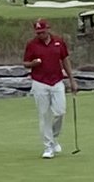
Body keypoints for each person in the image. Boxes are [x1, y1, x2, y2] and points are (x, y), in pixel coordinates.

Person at [22, 18, 76, 158]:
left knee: (60, 112)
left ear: (48, 29)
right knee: (44, 115)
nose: (41, 35)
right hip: (40, 82)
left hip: (57, 81)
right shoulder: (32, 44)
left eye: (43, 32)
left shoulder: (58, 42)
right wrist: (33, 63)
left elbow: (65, 60)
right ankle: (48, 147)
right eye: (38, 33)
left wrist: (72, 79)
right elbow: (25, 63)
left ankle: (53, 137)